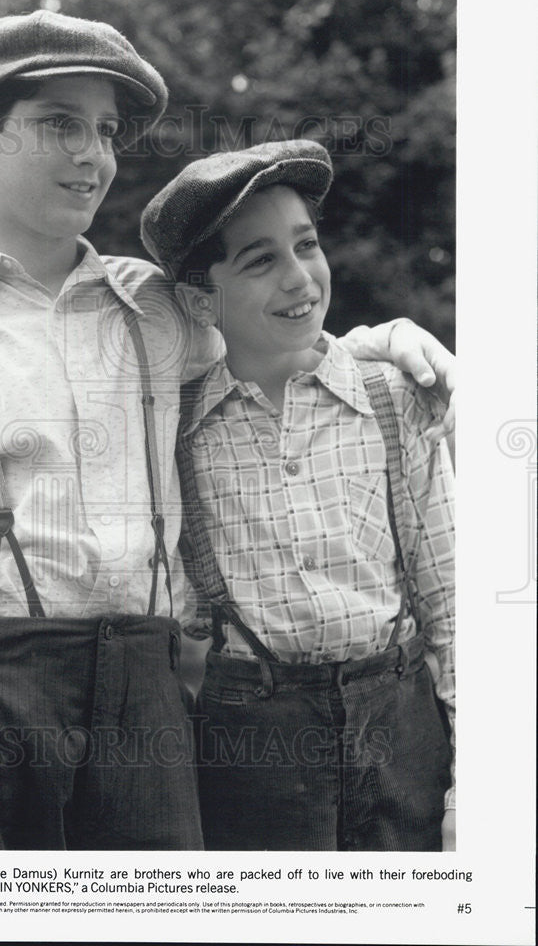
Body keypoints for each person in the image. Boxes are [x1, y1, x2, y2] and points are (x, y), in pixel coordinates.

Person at [0, 10, 456, 851]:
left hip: (147, 695)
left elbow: (284, 329)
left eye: (106, 130)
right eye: (60, 124)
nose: (93, 154)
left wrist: (387, 341)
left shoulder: (157, 309)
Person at [140, 140, 455, 852]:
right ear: (199, 298)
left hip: (401, 721)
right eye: (260, 260)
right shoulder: (177, 429)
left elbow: (454, 604)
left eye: (306, 245)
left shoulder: (393, 398)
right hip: (249, 740)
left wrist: (476, 778)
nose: (299, 277)